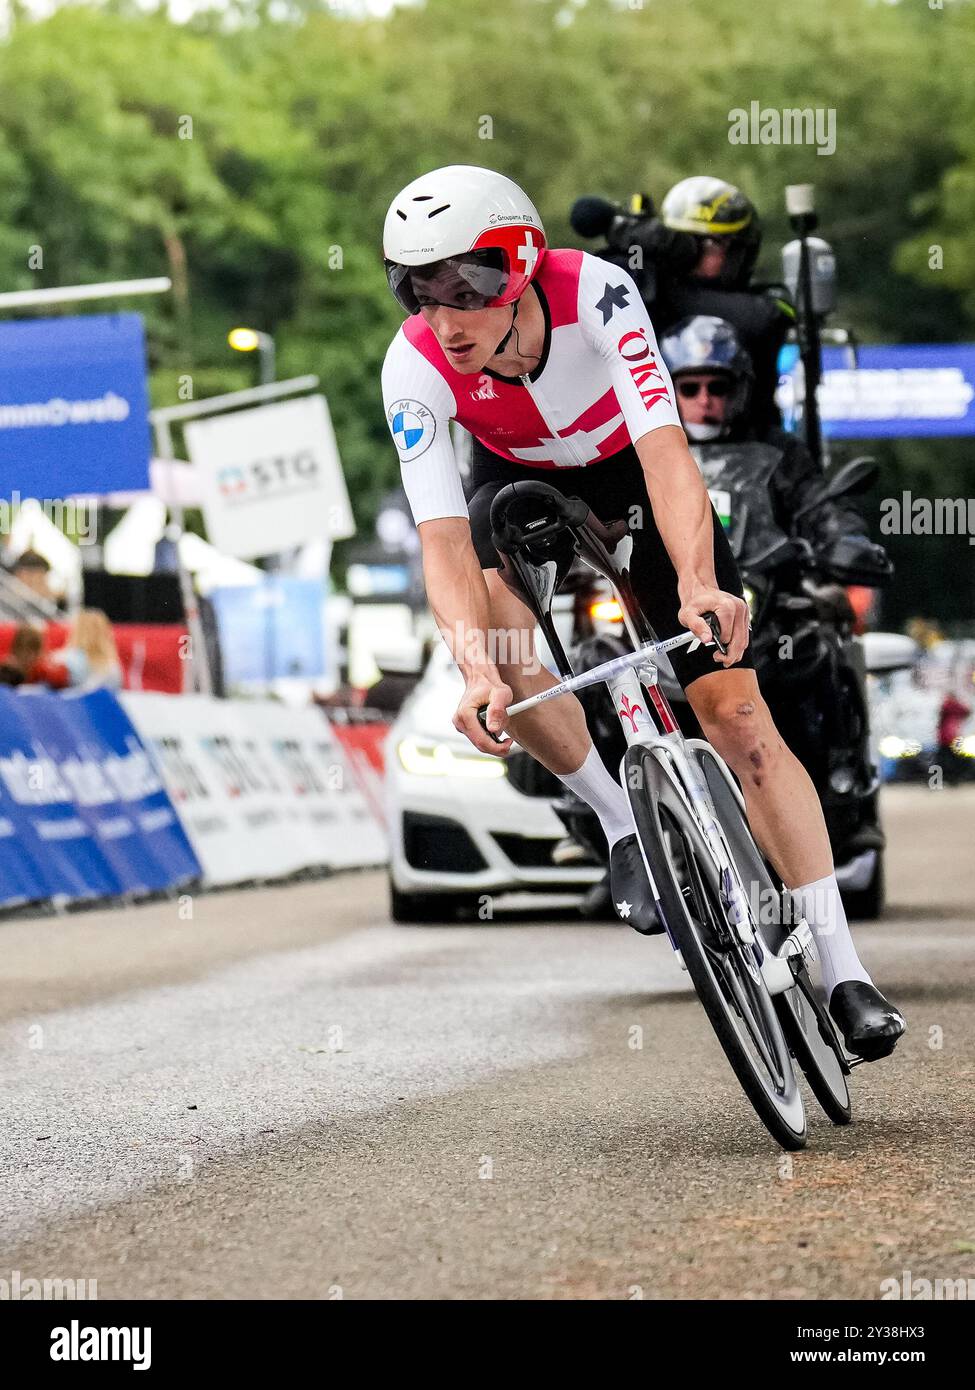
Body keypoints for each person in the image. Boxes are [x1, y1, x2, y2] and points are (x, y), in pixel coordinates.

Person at [380, 163, 904, 1060]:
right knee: (500, 637)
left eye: (467, 284)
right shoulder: (414, 364)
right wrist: (472, 669)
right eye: (417, 288)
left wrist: (699, 584)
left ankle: (841, 966)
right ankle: (620, 821)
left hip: (630, 468)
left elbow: (668, 456)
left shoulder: (597, 294)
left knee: (737, 714)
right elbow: (439, 545)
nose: (445, 314)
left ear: (520, 265)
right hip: (518, 481)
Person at [575, 176, 794, 436]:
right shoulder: (650, 287)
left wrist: (664, 283)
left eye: (714, 243)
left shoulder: (766, 305)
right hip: (653, 443)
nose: (689, 252)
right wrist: (630, 241)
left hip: (753, 451)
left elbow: (765, 318)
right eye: (686, 242)